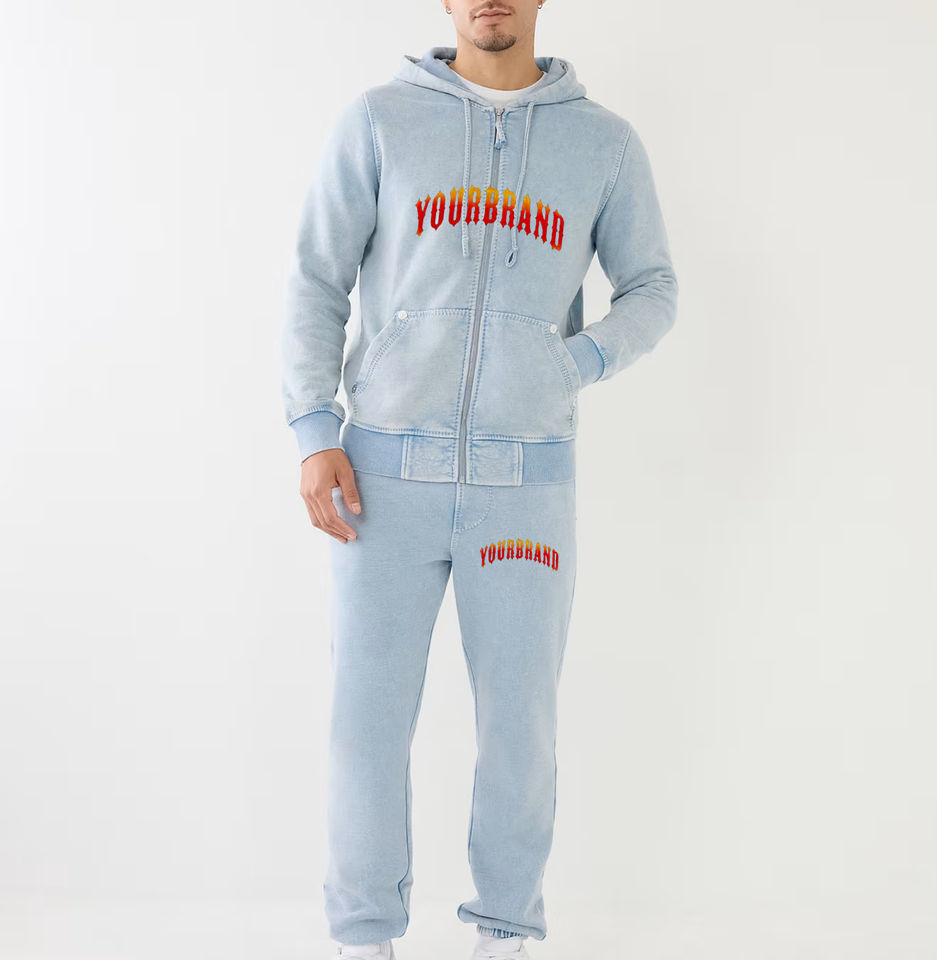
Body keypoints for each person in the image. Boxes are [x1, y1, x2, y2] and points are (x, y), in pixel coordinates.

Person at [279, 2, 678, 957]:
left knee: (519, 728)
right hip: (381, 475)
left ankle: (505, 934)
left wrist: (572, 363)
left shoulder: (604, 144)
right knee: (366, 723)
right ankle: (364, 939)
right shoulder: (380, 120)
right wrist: (313, 426)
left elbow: (653, 288)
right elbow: (316, 276)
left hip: (524, 482)